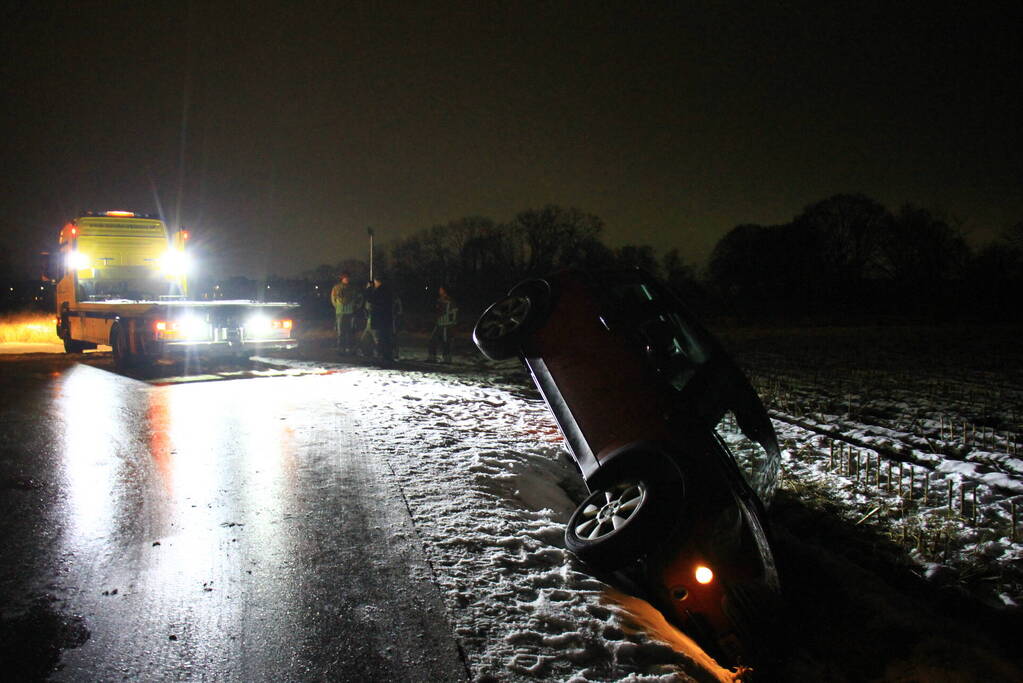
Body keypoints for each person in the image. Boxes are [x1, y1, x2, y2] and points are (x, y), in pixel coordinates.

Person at [363, 275, 394, 365]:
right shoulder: (387, 290)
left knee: (380, 339)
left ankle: (382, 356)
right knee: (385, 338)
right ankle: (387, 356)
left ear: (377, 281)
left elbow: (370, 299)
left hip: (379, 318)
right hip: (386, 318)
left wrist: (368, 289)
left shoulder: (380, 291)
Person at [427, 286, 458, 362]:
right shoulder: (439, 300)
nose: (439, 291)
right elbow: (437, 312)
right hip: (439, 324)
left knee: (446, 342)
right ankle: (432, 357)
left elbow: (454, 313)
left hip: (446, 325)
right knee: (432, 340)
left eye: (441, 289)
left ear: (444, 291)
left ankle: (447, 359)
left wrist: (452, 323)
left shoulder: (450, 301)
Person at [330, 272, 358, 353]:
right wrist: (338, 307)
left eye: (348, 278)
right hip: (341, 311)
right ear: (342, 278)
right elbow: (333, 299)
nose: (347, 279)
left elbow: (356, 298)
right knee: (341, 331)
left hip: (348, 311)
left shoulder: (352, 288)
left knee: (348, 330)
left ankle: (347, 347)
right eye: (346, 278)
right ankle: (341, 347)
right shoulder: (337, 287)